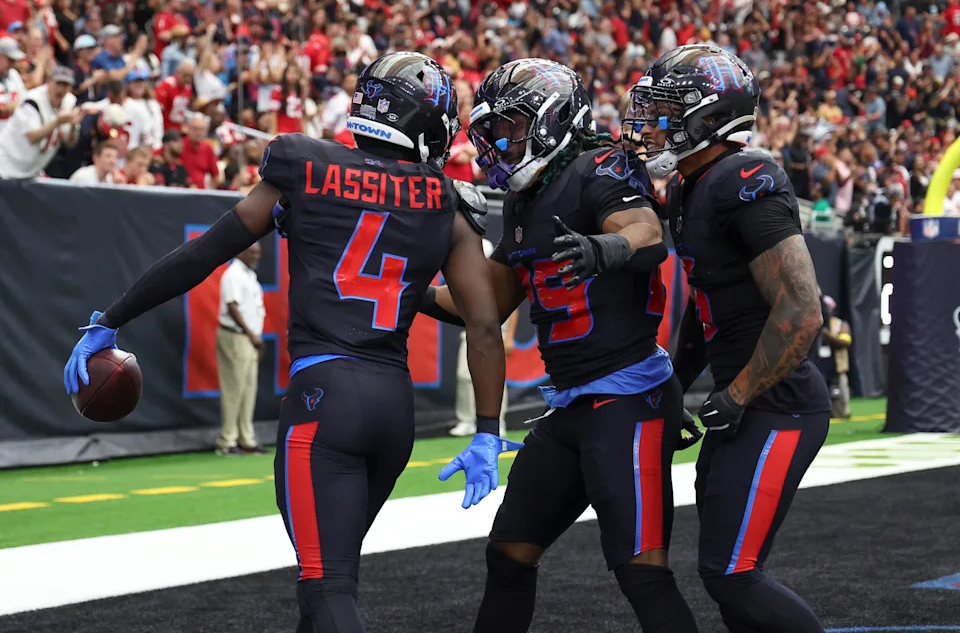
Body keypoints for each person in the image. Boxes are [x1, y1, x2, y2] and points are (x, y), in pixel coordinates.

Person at [63, 51, 506, 633]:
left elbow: (203, 254)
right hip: (392, 409)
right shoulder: (447, 204)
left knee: (327, 585)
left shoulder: (305, 164)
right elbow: (483, 322)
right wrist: (487, 430)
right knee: (326, 579)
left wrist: (113, 317)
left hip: (325, 404)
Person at [422, 58, 700, 633]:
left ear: (551, 120)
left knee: (641, 573)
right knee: (507, 555)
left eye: (512, 126)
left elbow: (645, 233)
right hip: (572, 404)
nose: (501, 141)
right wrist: (404, 287)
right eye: (494, 130)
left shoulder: (600, 166)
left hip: (629, 399)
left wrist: (604, 250)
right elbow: (485, 305)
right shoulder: (528, 198)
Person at [626, 44, 830, 632]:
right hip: (747, 401)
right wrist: (676, 384)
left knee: (733, 573)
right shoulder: (690, 187)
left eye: (668, 109)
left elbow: (801, 306)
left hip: (779, 405)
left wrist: (736, 394)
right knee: (728, 576)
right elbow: (706, 301)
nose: (653, 122)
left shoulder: (745, 176)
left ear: (710, 118)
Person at [449, 238, 518, 437]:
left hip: (498, 332)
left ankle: (497, 422)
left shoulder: (499, 280)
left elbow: (513, 311)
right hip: (472, 331)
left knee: (495, 378)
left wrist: (509, 338)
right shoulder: (470, 282)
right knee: (464, 375)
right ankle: (466, 420)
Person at [216, 242, 268, 456]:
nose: (256, 256)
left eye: (258, 253)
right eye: (252, 252)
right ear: (241, 251)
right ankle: (227, 441)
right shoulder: (233, 274)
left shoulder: (249, 274)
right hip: (235, 335)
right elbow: (232, 306)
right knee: (233, 389)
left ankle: (246, 439)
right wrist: (252, 334)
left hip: (249, 339)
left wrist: (255, 337)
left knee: (248, 390)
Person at [0, 65, 80, 179]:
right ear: (49, 82)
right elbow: (32, 137)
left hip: (30, 170)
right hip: (5, 165)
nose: (61, 89)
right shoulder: (33, 100)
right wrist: (57, 122)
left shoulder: (69, 102)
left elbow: (70, 142)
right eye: (58, 83)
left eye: (66, 85)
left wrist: (73, 126)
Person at [0, 35, 26, 132]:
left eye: (14, 61)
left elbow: (24, 102)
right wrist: (6, 108)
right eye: (10, 60)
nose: (13, 64)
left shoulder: (13, 75)